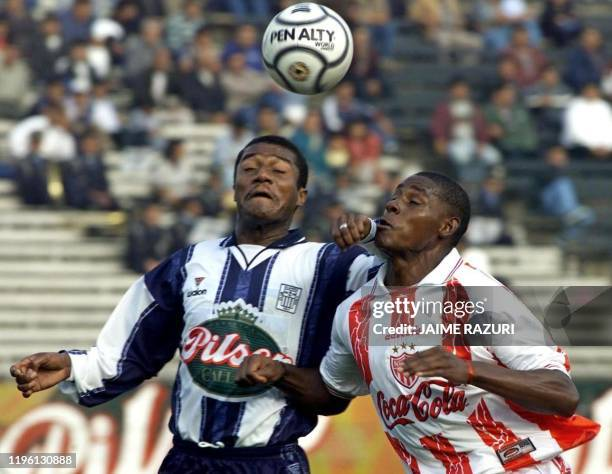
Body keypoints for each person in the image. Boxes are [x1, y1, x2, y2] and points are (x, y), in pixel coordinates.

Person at [10, 135, 382, 474]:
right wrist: (71, 365)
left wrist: (375, 236)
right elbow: (128, 352)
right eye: (249, 169)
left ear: (301, 195)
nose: (262, 176)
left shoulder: (331, 263)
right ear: (233, 189)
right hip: (186, 460)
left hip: (269, 461)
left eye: (278, 171)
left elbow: (403, 289)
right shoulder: (189, 262)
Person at [237, 171, 600, 473]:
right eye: (394, 199)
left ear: (446, 226)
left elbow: (562, 394)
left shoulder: (478, 297)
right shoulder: (355, 312)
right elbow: (333, 392)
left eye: (414, 201)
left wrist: (469, 371)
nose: (393, 205)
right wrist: (280, 374)